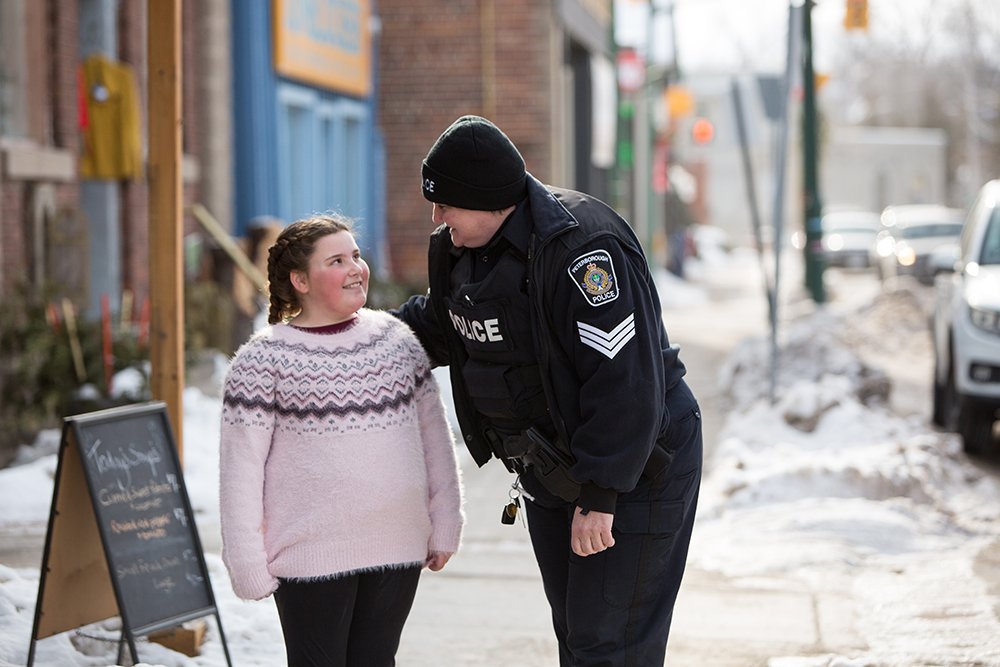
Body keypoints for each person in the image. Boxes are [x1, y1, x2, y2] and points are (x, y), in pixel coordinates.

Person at [394, 115, 702, 666]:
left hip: (638, 467)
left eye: (446, 204)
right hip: (553, 466)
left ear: (488, 200)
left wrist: (600, 495)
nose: (436, 217)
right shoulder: (460, 250)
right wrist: (358, 337)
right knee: (577, 634)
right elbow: (442, 325)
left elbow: (623, 380)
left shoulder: (583, 248)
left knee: (610, 641)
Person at [219, 214, 464, 667]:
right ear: (300, 280)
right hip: (309, 555)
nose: (356, 267)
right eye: (337, 260)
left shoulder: (397, 342)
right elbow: (240, 473)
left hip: (396, 547)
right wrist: (245, 559)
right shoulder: (262, 360)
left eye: (356, 255)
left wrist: (445, 519)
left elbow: (435, 440)